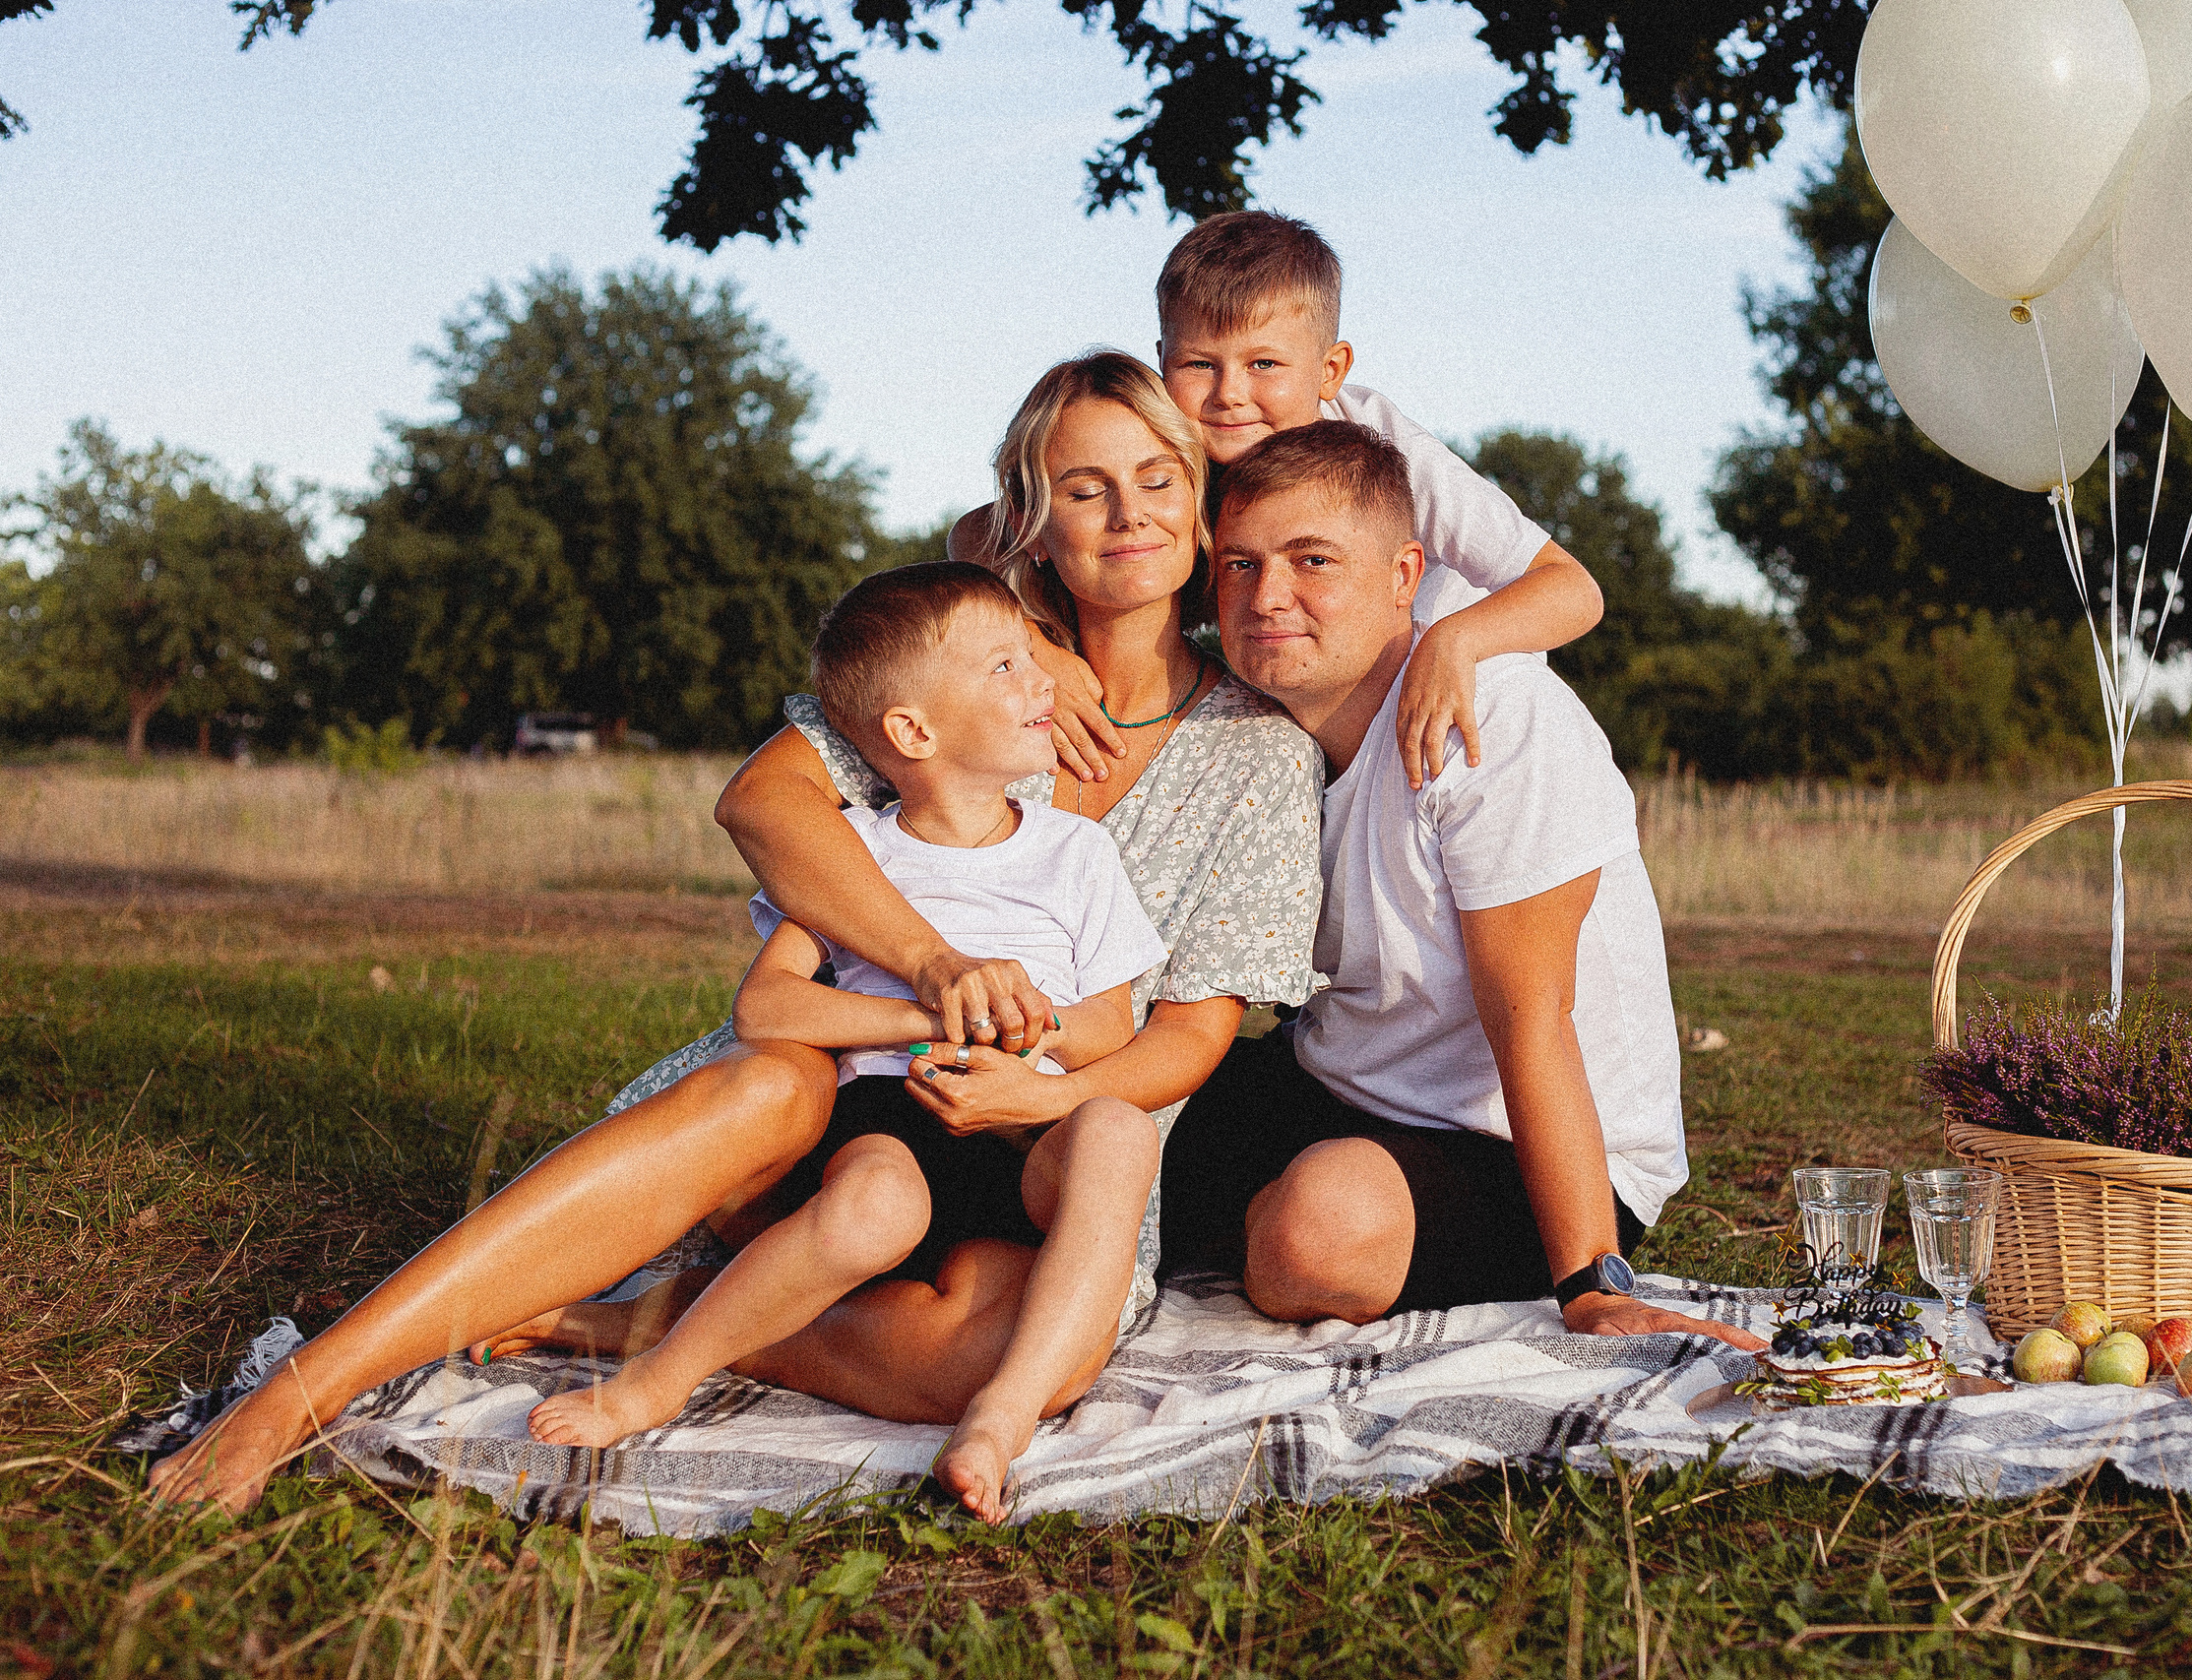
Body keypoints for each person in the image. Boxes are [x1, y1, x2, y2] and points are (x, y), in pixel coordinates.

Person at [147, 353, 1324, 1518]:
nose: (1127, 515)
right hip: (844, 1083)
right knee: (769, 1089)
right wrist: (932, 967)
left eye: (1158, 478)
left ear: (1201, 496)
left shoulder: (1252, 752)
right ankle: (306, 1388)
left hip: (1054, 1139)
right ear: (1029, 518)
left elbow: (1190, 1030)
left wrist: (1048, 1096)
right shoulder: (946, 653)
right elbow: (761, 802)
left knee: (994, 1360)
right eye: (1083, 488)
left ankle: (673, 1328)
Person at [522, 564, 1168, 1521]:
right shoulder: (855, 848)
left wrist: (1029, 1047)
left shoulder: (1078, 853)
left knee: (1117, 1132)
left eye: (1033, 659)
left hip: (1026, 1119)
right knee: (873, 1208)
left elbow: (1110, 1026)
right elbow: (770, 1011)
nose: (1044, 684)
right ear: (912, 731)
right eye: (1006, 667)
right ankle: (662, 1376)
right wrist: (932, 1013)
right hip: (893, 1102)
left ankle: (1002, 1413)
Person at [1160, 421, 1764, 1352]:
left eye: (1311, 560)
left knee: (1310, 1237)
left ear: (1405, 573)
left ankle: (1226, 1224)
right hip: (1338, 1085)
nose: (1268, 595)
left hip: (1522, 1150)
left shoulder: (1492, 715)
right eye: (1238, 565)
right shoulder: (1256, 734)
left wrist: (1590, 1284)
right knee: (1076, 1140)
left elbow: (1533, 1014)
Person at [964, 210, 1606, 800]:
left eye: (1264, 363)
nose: (1229, 395)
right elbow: (982, 534)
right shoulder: (1175, 453)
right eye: (1199, 364)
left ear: (1330, 370)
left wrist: (1456, 640)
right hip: (1316, 725)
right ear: (1161, 363)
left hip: (1448, 715)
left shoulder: (1385, 452)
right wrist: (1041, 647)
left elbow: (1571, 588)